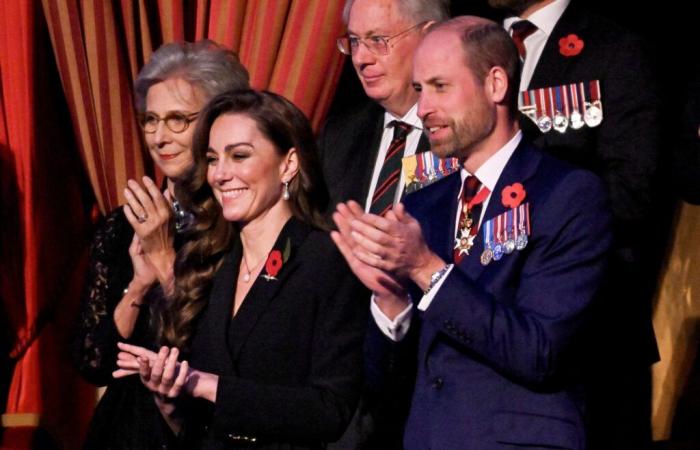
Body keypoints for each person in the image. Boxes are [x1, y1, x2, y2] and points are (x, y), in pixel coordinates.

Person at [332, 16, 613, 449]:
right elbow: (386, 387)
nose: (424, 108)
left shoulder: (566, 194)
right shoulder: (423, 206)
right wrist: (390, 303)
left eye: (440, 87)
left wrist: (427, 269)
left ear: (496, 84)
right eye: (420, 89)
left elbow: (540, 351)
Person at [114, 89, 369, 449]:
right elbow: (191, 424)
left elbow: (331, 409)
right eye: (213, 159)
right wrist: (168, 395)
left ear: (288, 164)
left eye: (239, 156)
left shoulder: (326, 259)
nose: (220, 174)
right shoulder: (208, 262)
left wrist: (204, 384)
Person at [488, 0, 661, 446]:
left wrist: (519, 231)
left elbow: (631, 192)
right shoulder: (472, 45)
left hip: (588, 337)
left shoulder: (613, 48)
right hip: (483, 338)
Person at [72, 40, 249, 449]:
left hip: (199, 433)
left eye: (177, 120)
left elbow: (220, 356)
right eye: (150, 120)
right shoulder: (123, 224)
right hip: (122, 432)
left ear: (218, 121)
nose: (159, 136)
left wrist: (164, 256)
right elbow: (92, 362)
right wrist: (137, 286)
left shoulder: (239, 223)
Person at [318, 0, 450, 214]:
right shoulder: (339, 136)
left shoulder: (467, 131)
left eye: (378, 40)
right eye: (354, 41)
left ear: (429, 36)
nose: (360, 58)